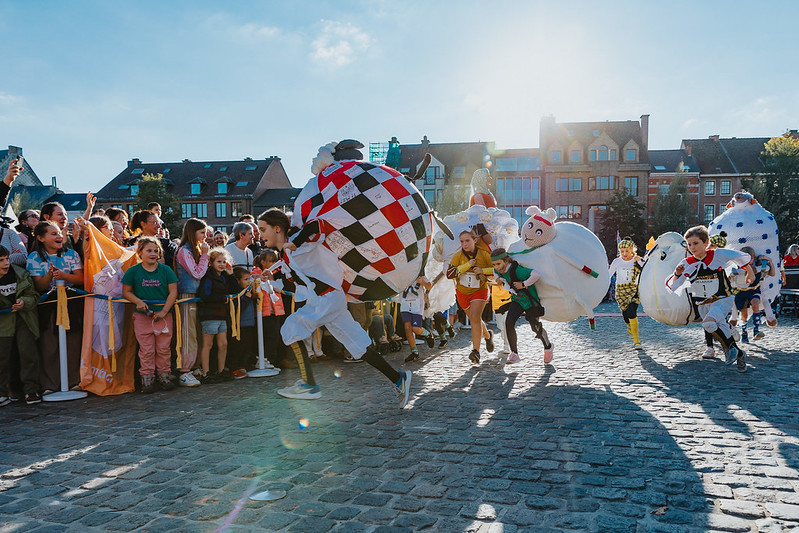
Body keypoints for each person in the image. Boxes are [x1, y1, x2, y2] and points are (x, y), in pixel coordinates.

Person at [257, 208, 412, 408]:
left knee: (290, 328)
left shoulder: (298, 242)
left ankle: (309, 385)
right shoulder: (286, 254)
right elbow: (296, 281)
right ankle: (398, 378)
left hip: (326, 299)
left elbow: (318, 224)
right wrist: (273, 277)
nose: (260, 235)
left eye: (262, 229)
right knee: (358, 345)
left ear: (277, 228)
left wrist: (298, 240)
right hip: (328, 300)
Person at [666, 225, 755, 373]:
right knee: (717, 329)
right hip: (703, 303)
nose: (692, 247)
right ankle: (739, 353)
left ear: (706, 242)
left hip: (721, 299)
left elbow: (740, 257)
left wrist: (749, 273)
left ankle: (729, 350)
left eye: (696, 243)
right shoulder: (687, 263)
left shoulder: (718, 254)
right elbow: (674, 286)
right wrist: (676, 273)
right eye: (689, 244)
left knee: (708, 322)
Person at [27, 221, 84, 392]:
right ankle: (50, 385)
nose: (59, 236)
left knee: (73, 342)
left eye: (59, 232)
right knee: (49, 344)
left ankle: (74, 381)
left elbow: (81, 279)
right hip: (47, 304)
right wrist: (49, 275)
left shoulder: (71, 254)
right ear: (40, 238)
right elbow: (39, 286)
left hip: (71, 303)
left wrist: (63, 275)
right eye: (53, 233)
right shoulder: (34, 257)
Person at [121, 237, 178, 393]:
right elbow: (126, 291)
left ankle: (164, 376)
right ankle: (147, 379)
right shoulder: (133, 271)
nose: (153, 254)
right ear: (140, 253)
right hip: (142, 316)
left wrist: (164, 311)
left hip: (163, 315)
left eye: (155, 251)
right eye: (149, 250)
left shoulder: (166, 270)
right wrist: (138, 301)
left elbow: (173, 291)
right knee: (146, 349)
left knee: (163, 348)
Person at [491, 248, 553, 364]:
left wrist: (523, 284)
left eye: (499, 264)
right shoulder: (499, 270)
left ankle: (548, 346)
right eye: (494, 264)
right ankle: (514, 354)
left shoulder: (517, 270)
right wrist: (497, 279)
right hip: (517, 301)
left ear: (506, 260)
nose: (497, 267)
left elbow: (536, 274)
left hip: (530, 302)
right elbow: (495, 272)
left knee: (535, 328)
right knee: (509, 322)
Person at [0, 245, 42, 405]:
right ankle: (2, 393)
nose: (6, 263)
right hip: (3, 323)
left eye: (7, 259)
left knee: (28, 353)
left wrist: (24, 302)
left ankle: (31, 390)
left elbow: (33, 295)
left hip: (24, 319)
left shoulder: (20, 273)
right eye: (1, 260)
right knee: (2, 357)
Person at [447, 230, 495, 365]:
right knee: (475, 319)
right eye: (462, 241)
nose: (464, 244)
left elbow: (497, 269)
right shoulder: (458, 256)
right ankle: (488, 335)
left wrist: (482, 271)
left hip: (479, 290)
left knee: (474, 317)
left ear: (475, 240)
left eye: (467, 240)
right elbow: (449, 274)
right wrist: (467, 266)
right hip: (462, 292)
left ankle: (475, 351)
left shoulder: (484, 254)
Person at [174, 218, 210, 387]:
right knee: (188, 333)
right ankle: (184, 370)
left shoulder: (194, 249)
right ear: (192, 232)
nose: (205, 235)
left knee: (196, 333)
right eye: (202, 232)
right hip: (186, 295)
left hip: (196, 296)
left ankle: (194, 366)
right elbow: (197, 273)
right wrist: (204, 255)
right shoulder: (184, 251)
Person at [197, 248, 238, 383]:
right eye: (219, 261)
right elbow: (204, 295)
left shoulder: (224, 277)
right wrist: (222, 299)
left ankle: (221, 371)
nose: (221, 264)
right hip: (210, 314)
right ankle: (206, 372)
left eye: (224, 261)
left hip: (222, 314)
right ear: (212, 262)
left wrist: (231, 274)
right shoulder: (208, 277)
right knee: (208, 344)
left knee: (223, 344)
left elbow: (235, 290)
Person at [731, 246, 775, 343]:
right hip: (741, 292)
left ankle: (756, 330)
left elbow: (771, 273)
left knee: (755, 304)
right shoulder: (736, 267)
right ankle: (744, 332)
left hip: (754, 290)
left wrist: (768, 261)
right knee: (744, 314)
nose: (749, 260)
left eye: (750, 258)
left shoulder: (758, 265)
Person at [608, 237, 645, 350]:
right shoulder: (617, 261)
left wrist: (641, 261)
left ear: (632, 250)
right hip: (621, 291)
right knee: (625, 315)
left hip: (634, 290)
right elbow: (609, 274)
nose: (624, 254)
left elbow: (647, 271)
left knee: (632, 312)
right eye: (622, 251)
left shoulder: (637, 260)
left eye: (627, 251)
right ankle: (629, 326)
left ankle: (636, 341)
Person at [228, 267, 257, 379]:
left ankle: (243, 366)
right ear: (238, 281)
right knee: (237, 348)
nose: (248, 281)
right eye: (245, 279)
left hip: (249, 324)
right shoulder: (237, 294)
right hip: (239, 326)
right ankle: (234, 368)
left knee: (247, 347)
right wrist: (246, 298)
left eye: (249, 279)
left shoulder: (249, 292)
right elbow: (237, 308)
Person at [399, 276, 435, 363]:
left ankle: (428, 334)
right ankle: (414, 352)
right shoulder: (401, 273)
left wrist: (422, 282)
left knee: (416, 329)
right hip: (405, 303)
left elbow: (429, 286)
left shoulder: (419, 273)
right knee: (407, 328)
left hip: (417, 304)